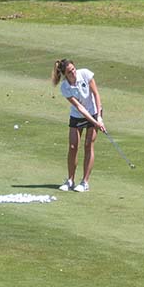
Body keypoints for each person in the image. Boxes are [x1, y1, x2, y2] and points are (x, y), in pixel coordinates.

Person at [53, 58, 105, 192]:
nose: (73, 73)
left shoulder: (86, 74)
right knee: (73, 146)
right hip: (77, 115)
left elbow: (96, 94)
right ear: (65, 74)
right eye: (69, 72)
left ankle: (84, 182)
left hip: (94, 111)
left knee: (88, 145)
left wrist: (99, 117)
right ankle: (70, 180)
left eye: (73, 69)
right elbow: (79, 107)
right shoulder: (65, 87)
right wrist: (94, 122)